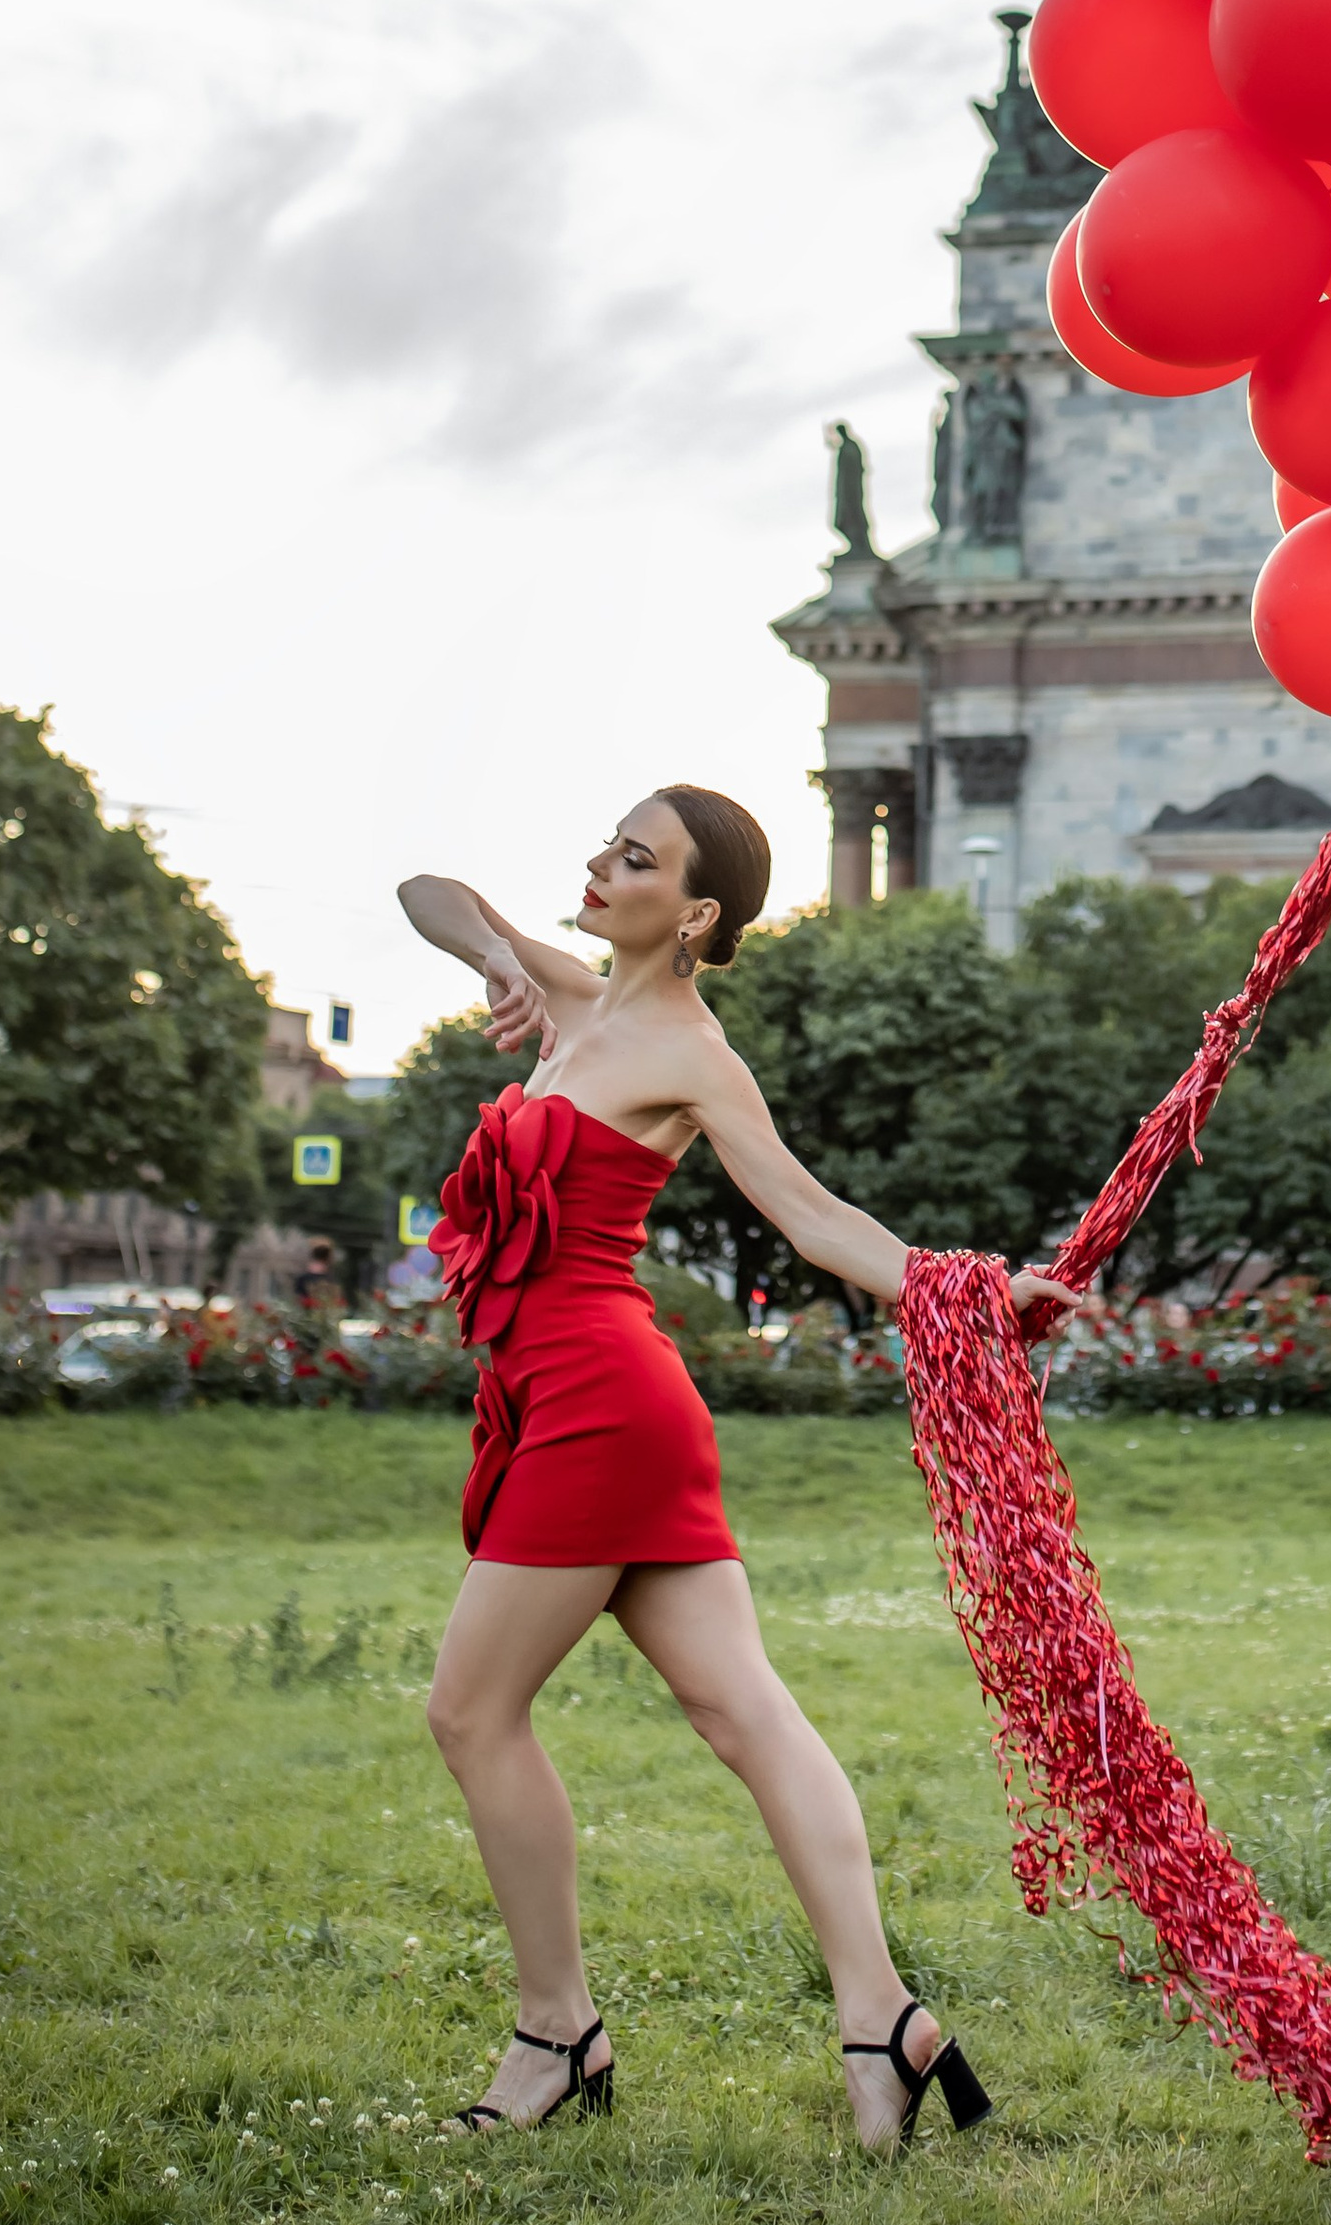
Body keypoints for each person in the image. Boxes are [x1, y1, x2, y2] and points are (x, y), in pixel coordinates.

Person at [397, 786, 1085, 2148]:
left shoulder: (688, 1050)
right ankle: (883, 2015)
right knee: (744, 1715)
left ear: (697, 910)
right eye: (607, 844)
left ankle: (557, 2033)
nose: (600, 865)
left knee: (471, 1712)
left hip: (602, 1400)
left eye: (636, 857)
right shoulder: (575, 997)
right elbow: (425, 888)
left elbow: (817, 1215)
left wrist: (979, 1290)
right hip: (572, 1393)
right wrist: (489, 951)